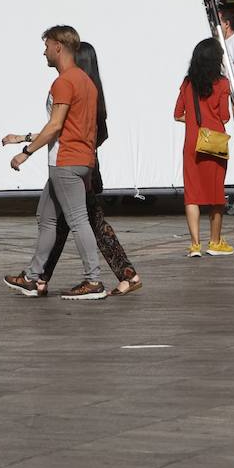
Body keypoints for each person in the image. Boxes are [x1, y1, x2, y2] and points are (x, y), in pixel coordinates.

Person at [0, 25, 107, 300]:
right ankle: (32, 277)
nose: (44, 51)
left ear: (59, 46)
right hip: (81, 160)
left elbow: (55, 125)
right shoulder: (86, 81)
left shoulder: (64, 81)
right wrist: (22, 136)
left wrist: (26, 151)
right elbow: (67, 126)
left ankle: (93, 281)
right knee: (46, 218)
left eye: (46, 45)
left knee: (78, 220)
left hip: (65, 162)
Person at [38, 42, 141, 297]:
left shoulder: (77, 89)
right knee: (79, 222)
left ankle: (41, 278)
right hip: (88, 165)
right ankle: (40, 277)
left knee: (76, 222)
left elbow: (62, 128)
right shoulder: (94, 92)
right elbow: (101, 133)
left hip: (74, 165)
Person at [174, 37, 234, 258]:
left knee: (192, 193)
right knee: (216, 192)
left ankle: (195, 245)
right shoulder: (223, 84)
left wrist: (193, 122)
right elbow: (225, 117)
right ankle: (215, 242)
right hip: (214, 141)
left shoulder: (187, 83)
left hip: (192, 142)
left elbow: (177, 113)